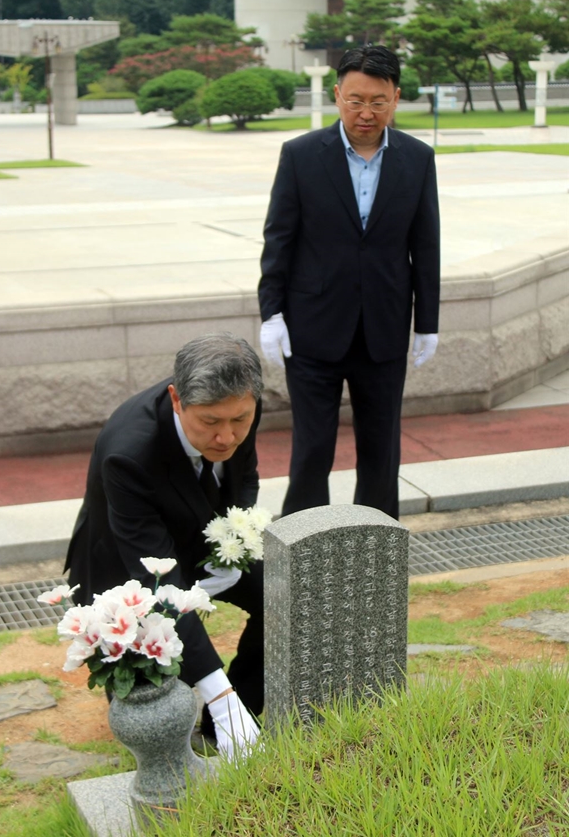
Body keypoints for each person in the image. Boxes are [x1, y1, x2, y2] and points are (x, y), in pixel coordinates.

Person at [258, 45, 440, 521]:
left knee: (381, 452)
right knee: (312, 450)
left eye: (378, 101)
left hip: (383, 327)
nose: (366, 112)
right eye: (355, 100)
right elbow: (280, 237)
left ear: (396, 98)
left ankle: (375, 552)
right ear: (337, 95)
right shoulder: (300, 155)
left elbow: (426, 245)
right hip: (313, 327)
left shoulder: (417, 159)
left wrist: (428, 323)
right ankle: (301, 549)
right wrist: (271, 313)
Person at [64, 332, 264, 758]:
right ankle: (219, 714)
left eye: (239, 421)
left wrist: (230, 542)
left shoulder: (240, 403)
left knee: (285, 595)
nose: (227, 437)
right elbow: (158, 580)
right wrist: (216, 692)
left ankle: (234, 718)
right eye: (210, 423)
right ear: (177, 399)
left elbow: (244, 477)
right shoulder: (129, 453)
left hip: (203, 539)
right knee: (148, 709)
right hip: (127, 561)